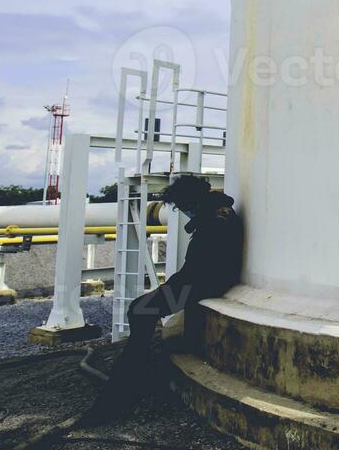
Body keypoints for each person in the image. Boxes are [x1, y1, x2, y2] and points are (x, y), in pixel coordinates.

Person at [78, 174, 241, 426]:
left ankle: (123, 390)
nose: (182, 211)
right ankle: (135, 371)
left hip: (205, 283)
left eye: (181, 206)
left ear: (192, 202)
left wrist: (171, 287)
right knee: (141, 309)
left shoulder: (212, 222)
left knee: (140, 310)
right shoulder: (219, 212)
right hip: (207, 280)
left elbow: (198, 270)